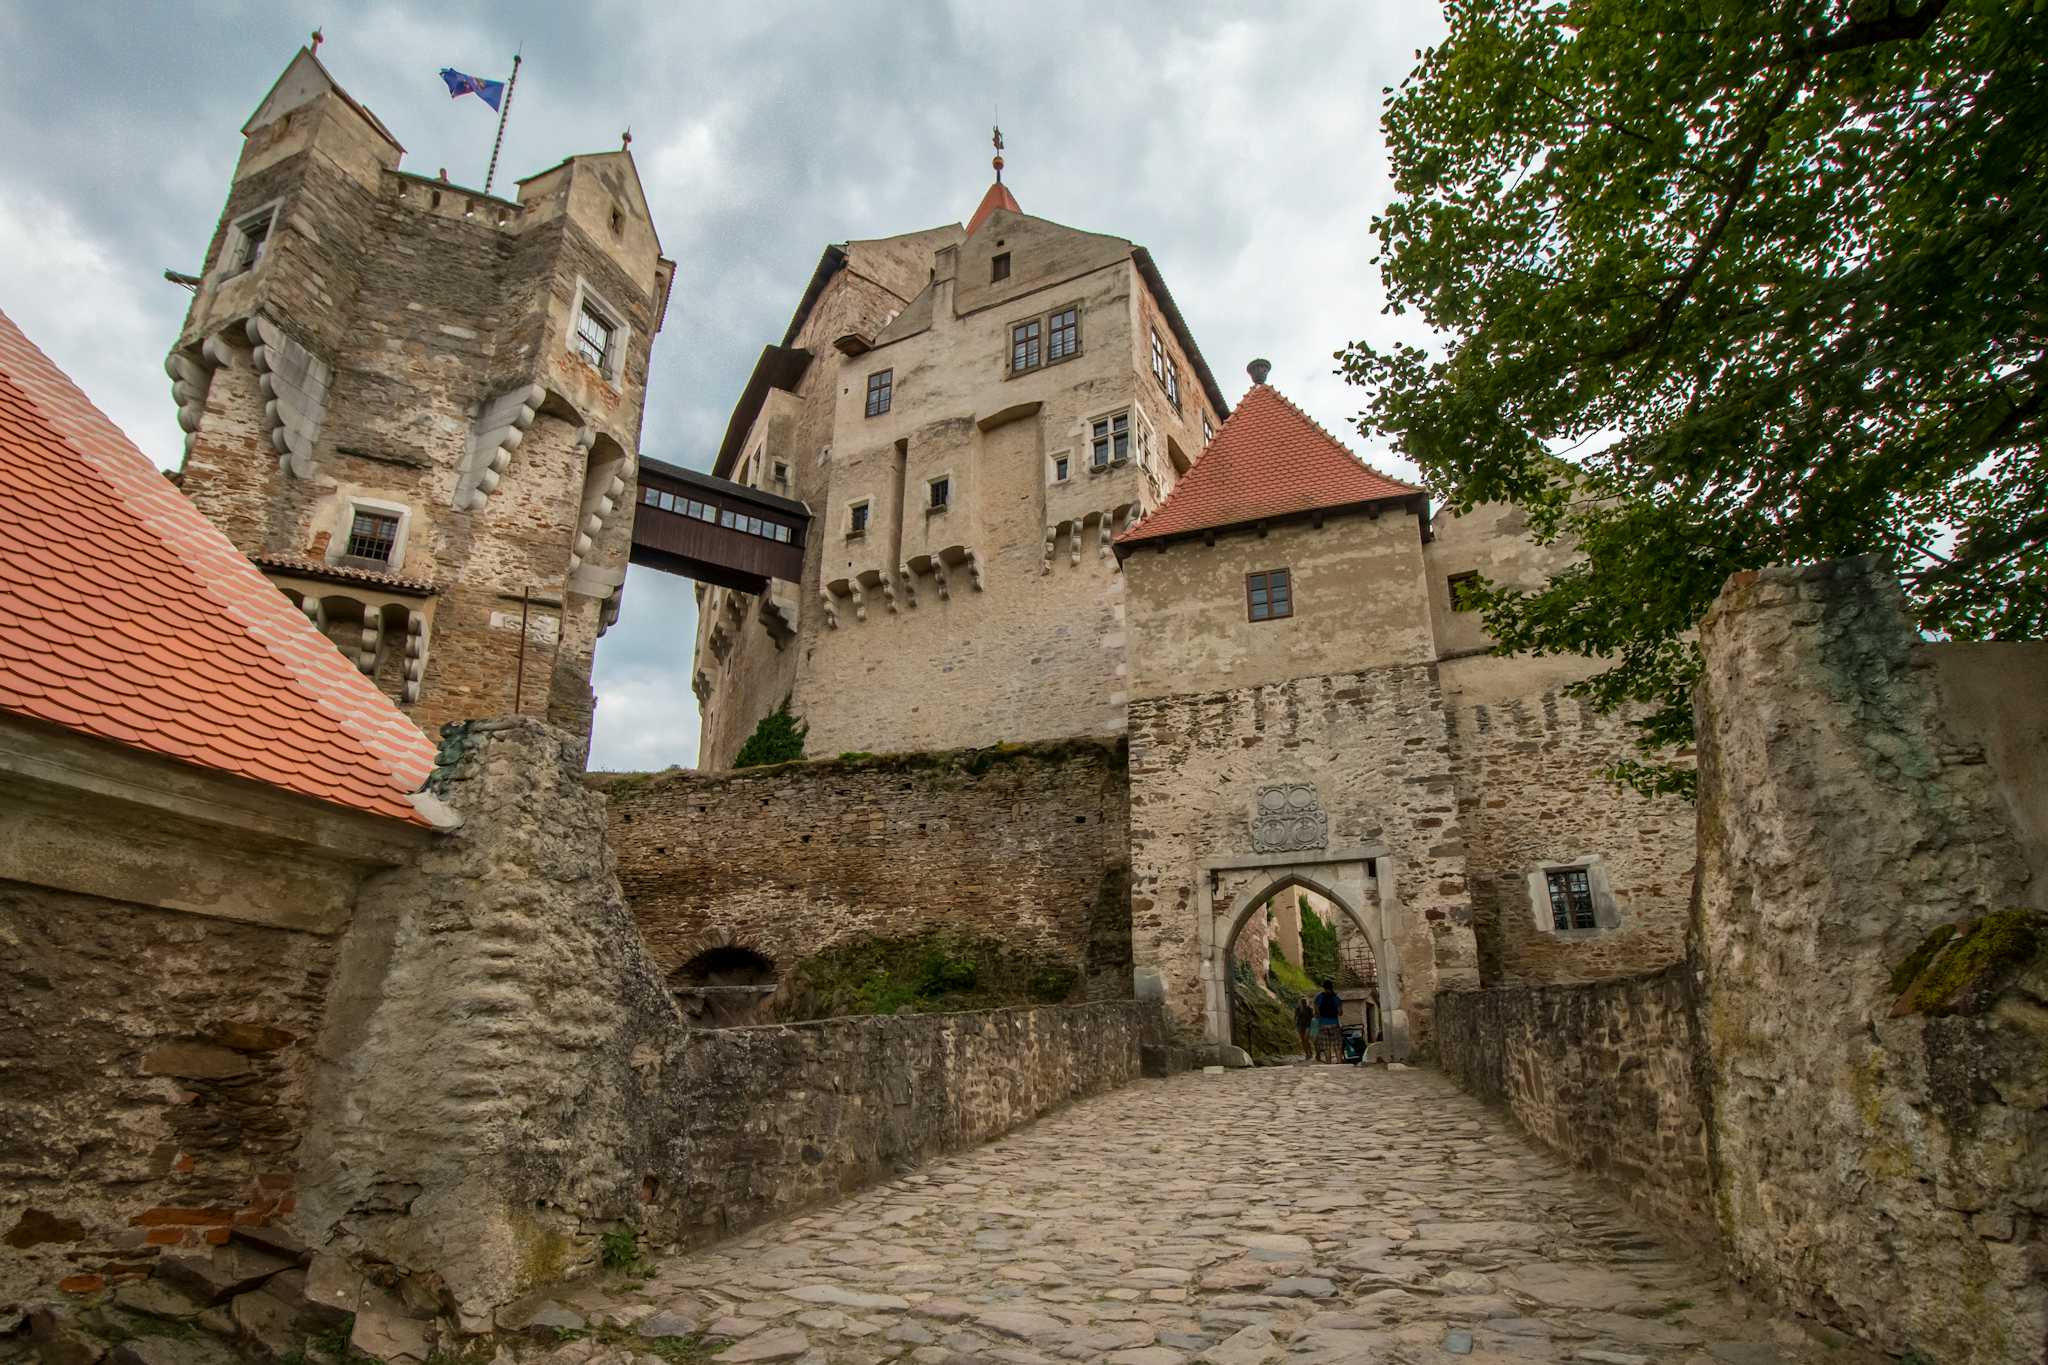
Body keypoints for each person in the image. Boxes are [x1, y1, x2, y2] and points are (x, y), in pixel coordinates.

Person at [1313, 979, 1343, 1062]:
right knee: (1337, 1046)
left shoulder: (1319, 997)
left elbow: (1316, 1012)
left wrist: (1320, 1017)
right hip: (1334, 1024)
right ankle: (1340, 1063)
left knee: (1326, 1047)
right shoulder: (1336, 998)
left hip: (1323, 1025)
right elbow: (1340, 1013)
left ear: (1324, 987)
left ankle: (1329, 1064)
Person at [1293, 995, 1315, 1061]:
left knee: (1306, 1039)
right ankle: (1307, 1054)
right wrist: (1295, 1023)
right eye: (1302, 1002)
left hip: (1308, 1025)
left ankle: (1310, 1053)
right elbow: (1295, 1017)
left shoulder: (1309, 1009)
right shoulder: (1297, 1009)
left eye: (1304, 1001)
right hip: (1300, 1025)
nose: (1303, 1003)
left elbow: (1312, 1017)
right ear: (1300, 1002)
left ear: (1306, 1002)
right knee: (1302, 1040)